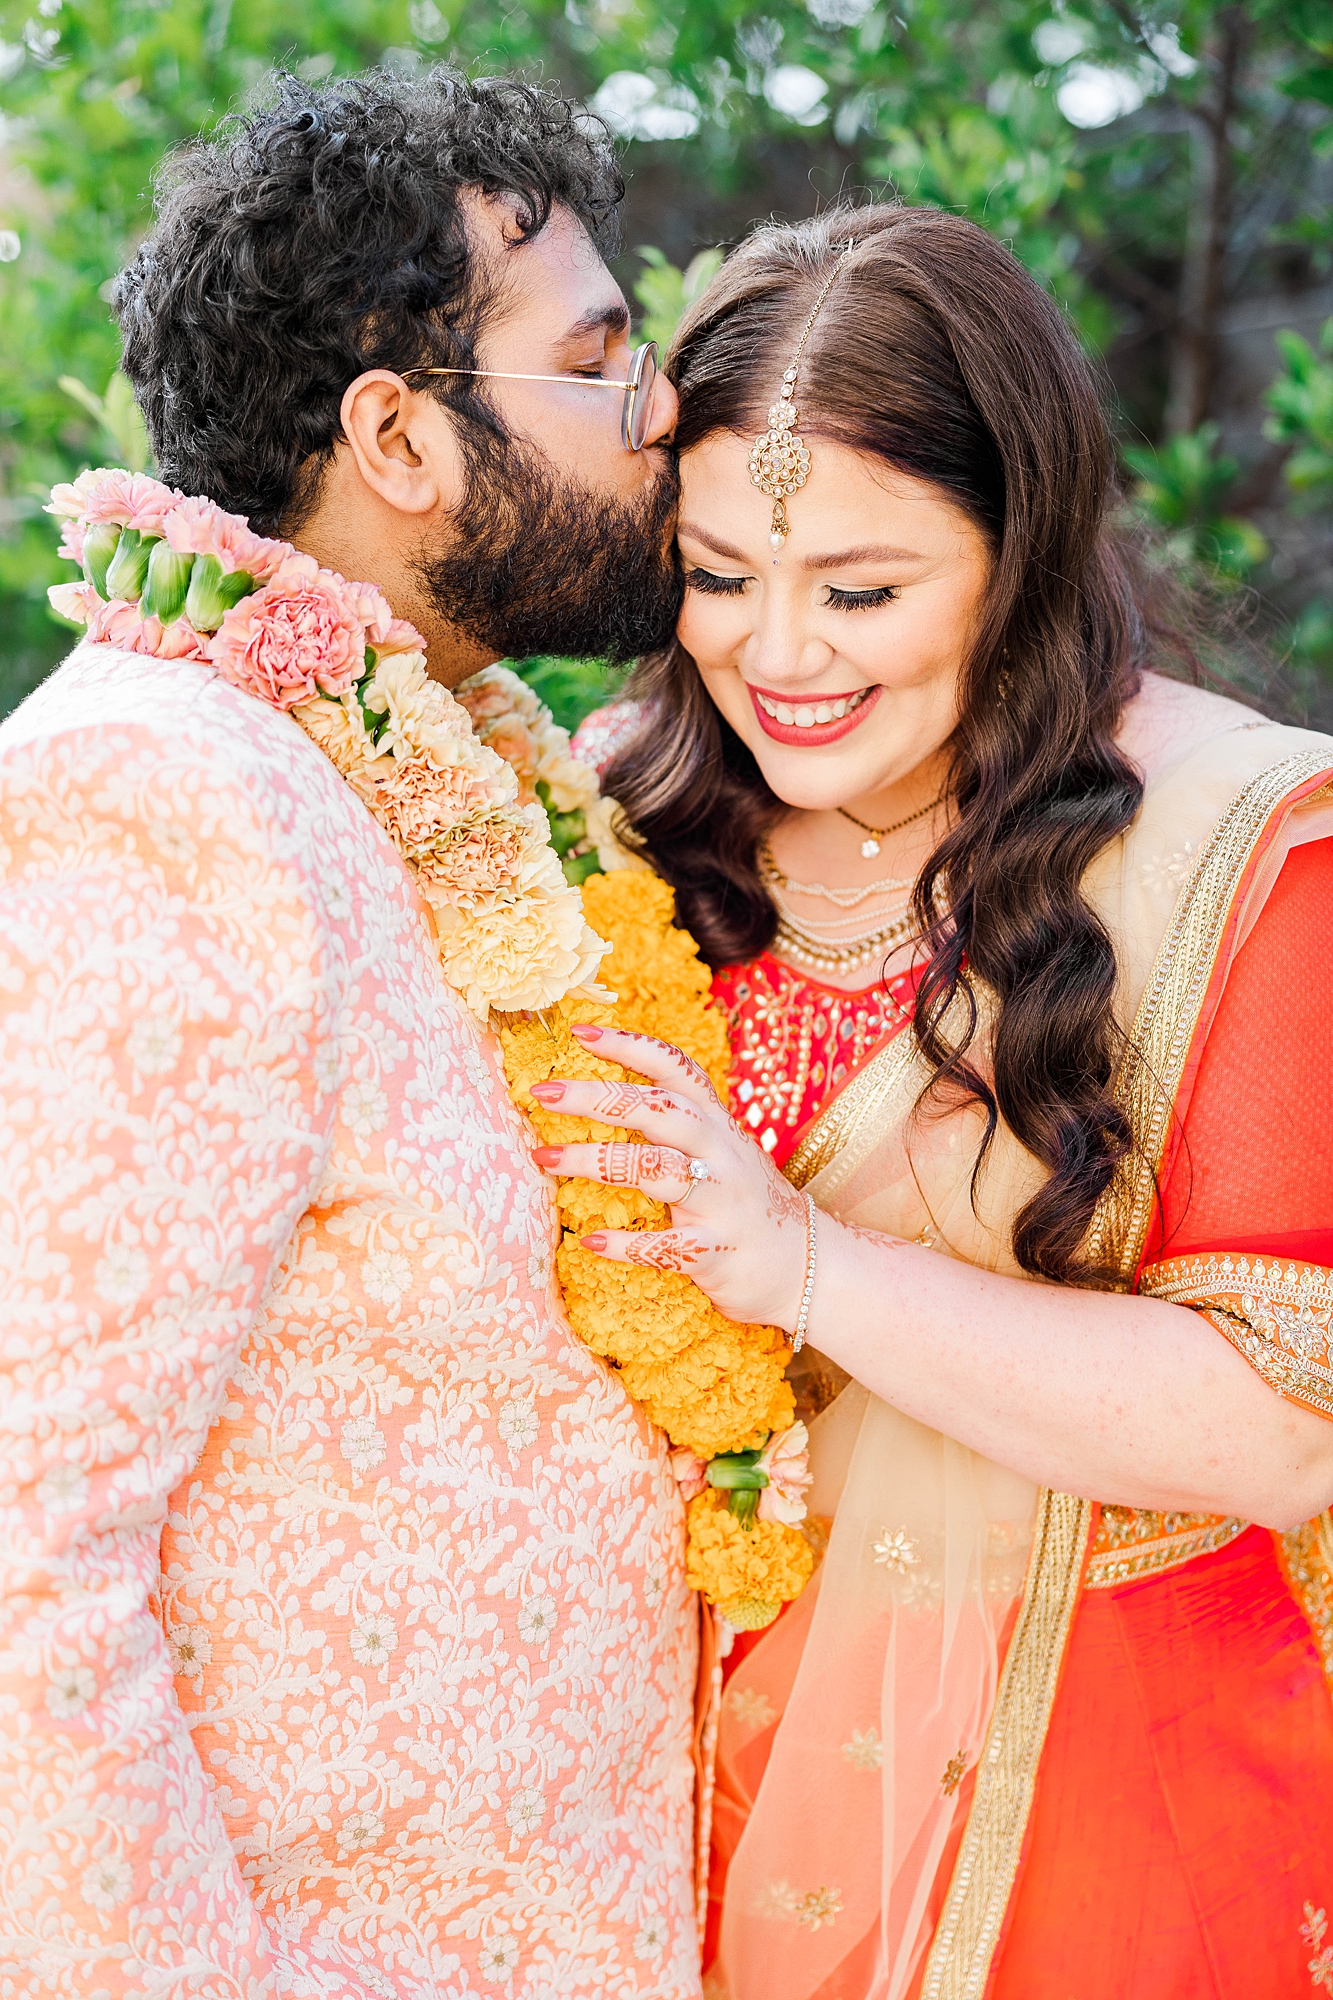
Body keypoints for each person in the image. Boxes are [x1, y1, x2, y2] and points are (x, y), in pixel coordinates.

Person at [553, 205, 1333, 1999]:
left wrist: (805, 1272)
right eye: (718, 572)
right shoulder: (610, 823)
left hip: (1106, 1798)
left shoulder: (1240, 846)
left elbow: (1290, 1421)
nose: (779, 657)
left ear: (1020, 549)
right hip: (647, 1775)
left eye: (862, 588)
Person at [0, 69, 703, 1999]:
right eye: (603, 360)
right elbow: (22, 1565)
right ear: (398, 436)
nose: (666, 417)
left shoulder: (449, 757)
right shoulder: (161, 797)